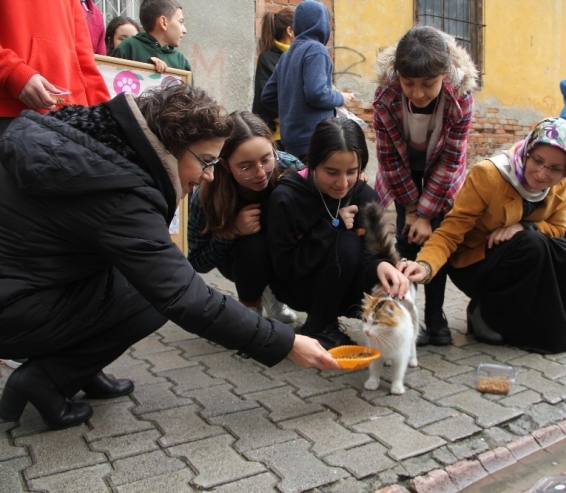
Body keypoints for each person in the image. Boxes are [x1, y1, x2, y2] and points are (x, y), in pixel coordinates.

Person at [0, 84, 340, 431]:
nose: (209, 174)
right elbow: (185, 295)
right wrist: (285, 342)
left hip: (29, 284)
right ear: (174, 146)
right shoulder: (118, 192)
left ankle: (79, 368)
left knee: (139, 279)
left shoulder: (99, 142)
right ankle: (46, 379)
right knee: (152, 294)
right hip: (14, 307)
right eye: (207, 162)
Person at [401, 118, 566, 354]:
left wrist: (525, 226)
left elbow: (558, 228)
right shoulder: (489, 175)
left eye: (554, 168)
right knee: (531, 245)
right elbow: (450, 232)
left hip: (519, 251)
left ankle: (534, 322)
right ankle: (484, 313)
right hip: (473, 264)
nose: (541, 173)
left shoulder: (560, 181)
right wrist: (425, 266)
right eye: (537, 161)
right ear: (527, 151)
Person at [373, 25, 477, 346]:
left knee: (434, 239)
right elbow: (389, 157)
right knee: (406, 239)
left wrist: (428, 215)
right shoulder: (386, 97)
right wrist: (411, 209)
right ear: (398, 76)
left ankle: (436, 315)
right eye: (409, 84)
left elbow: (449, 161)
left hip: (441, 175)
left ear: (444, 76)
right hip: (403, 169)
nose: (417, 93)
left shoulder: (460, 98)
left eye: (428, 85)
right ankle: (408, 316)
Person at [268, 117, 410, 349]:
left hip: (347, 290)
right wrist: (331, 226)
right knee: (346, 240)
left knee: (381, 267)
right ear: (312, 164)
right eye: (331, 172)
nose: (342, 183)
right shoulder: (286, 197)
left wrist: (380, 265)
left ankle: (333, 323)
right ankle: (319, 326)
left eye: (352, 172)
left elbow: (370, 253)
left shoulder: (364, 196)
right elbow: (285, 267)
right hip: (296, 286)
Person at [188, 110, 299, 324]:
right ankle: (250, 309)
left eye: (266, 159)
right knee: (253, 244)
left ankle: (278, 295)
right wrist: (232, 232)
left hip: (285, 253)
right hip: (240, 261)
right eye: (246, 167)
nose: (260, 173)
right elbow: (197, 263)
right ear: (225, 164)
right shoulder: (206, 193)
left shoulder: (290, 168)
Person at [260, 0, 354, 160]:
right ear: (322, 24)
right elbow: (316, 93)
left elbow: (267, 97)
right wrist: (341, 98)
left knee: (299, 183)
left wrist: (292, 107)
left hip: (290, 141)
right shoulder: (316, 50)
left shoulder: (286, 55)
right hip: (315, 140)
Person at [0, 0, 109, 136]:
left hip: (71, 116)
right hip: (9, 111)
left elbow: (84, 59)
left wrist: (105, 115)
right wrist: (12, 71)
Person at [251, 7, 295, 149]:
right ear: (290, 31)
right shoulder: (268, 59)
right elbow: (269, 102)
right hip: (279, 139)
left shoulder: (297, 57)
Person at [112, 0, 191, 75]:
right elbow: (111, 81)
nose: (184, 30)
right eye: (180, 22)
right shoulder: (128, 48)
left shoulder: (181, 60)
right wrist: (147, 67)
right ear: (163, 22)